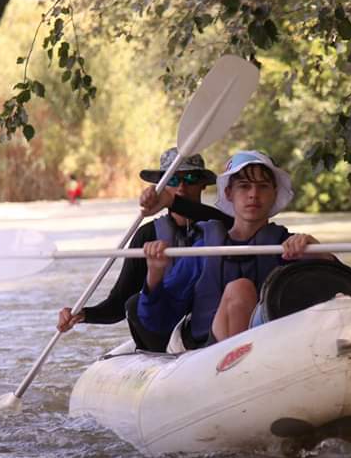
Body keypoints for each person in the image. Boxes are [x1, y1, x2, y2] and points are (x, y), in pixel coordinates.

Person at [138, 150, 332, 350]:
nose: (253, 195)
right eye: (244, 186)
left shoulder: (291, 247)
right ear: (229, 193)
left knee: (243, 289)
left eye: (263, 187)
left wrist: (320, 254)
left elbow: (342, 301)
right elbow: (157, 322)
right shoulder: (203, 250)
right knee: (240, 289)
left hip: (274, 350)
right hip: (209, 352)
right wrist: (155, 273)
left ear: (274, 193)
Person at [55, 148, 230, 351]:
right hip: (165, 331)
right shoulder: (146, 234)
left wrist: (172, 201)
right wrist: (83, 314)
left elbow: (230, 222)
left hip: (211, 326)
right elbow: (119, 303)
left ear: (202, 184)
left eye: (190, 178)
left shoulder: (222, 225)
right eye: (172, 180)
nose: (182, 187)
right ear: (161, 186)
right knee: (134, 303)